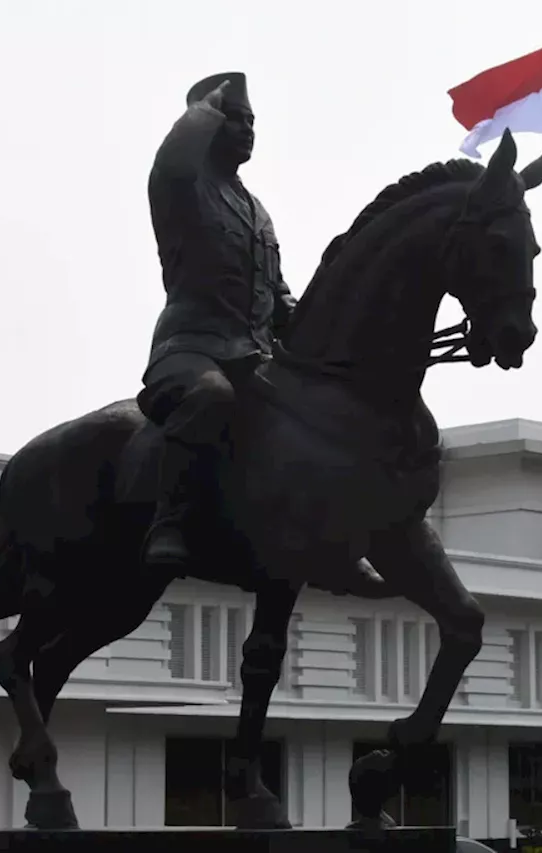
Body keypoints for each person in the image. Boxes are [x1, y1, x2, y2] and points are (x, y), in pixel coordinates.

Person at [138, 72, 384, 596]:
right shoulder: (183, 187)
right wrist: (200, 111)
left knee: (323, 420)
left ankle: (338, 544)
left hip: (254, 356)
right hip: (191, 351)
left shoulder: (256, 210)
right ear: (209, 123)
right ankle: (170, 520)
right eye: (237, 120)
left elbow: (275, 293)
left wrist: (328, 330)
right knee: (211, 395)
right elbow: (174, 162)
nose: (248, 131)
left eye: (253, 122)